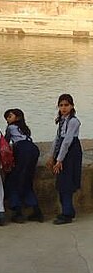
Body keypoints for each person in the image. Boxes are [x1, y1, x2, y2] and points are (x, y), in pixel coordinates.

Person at [47, 94, 83, 225]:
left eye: (66, 105)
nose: (63, 108)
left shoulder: (73, 121)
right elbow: (57, 139)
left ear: (72, 106)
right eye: (61, 105)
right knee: (62, 183)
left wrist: (59, 160)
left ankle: (67, 213)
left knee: (66, 184)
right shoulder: (62, 120)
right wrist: (51, 156)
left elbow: (67, 141)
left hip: (70, 154)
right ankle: (68, 211)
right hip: (63, 151)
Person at [3, 108, 43, 223]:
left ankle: (18, 212)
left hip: (22, 151)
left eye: (10, 116)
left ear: (18, 117)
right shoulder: (25, 129)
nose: (7, 119)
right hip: (33, 150)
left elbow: (5, 142)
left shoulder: (10, 128)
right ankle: (36, 211)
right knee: (27, 180)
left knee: (14, 180)